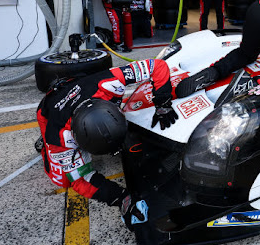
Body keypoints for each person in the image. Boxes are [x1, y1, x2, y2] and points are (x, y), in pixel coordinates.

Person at [36, 59, 175, 228]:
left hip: (83, 85)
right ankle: (44, 148)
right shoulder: (58, 137)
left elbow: (157, 66)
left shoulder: (109, 82)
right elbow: (80, 180)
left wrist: (163, 104)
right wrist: (120, 197)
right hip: (49, 109)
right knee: (62, 179)